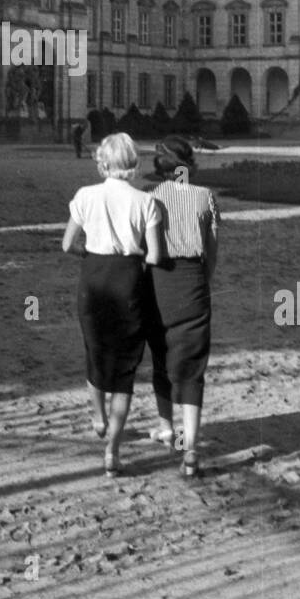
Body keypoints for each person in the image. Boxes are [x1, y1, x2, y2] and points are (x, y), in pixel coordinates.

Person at [62, 133, 162, 477]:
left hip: (93, 277)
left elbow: (66, 244)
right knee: (124, 371)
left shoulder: (86, 196)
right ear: (133, 162)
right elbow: (155, 255)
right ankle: (113, 450)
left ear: (103, 161)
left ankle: (98, 416)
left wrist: (90, 253)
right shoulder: (145, 201)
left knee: (95, 350)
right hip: (129, 279)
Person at [145, 146, 221, 479]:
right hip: (192, 281)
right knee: (192, 367)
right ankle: (189, 450)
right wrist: (200, 283)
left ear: (160, 165)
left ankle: (166, 427)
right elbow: (213, 252)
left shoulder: (149, 197)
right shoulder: (206, 197)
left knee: (161, 356)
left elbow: (141, 247)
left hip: (158, 281)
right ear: (188, 163)